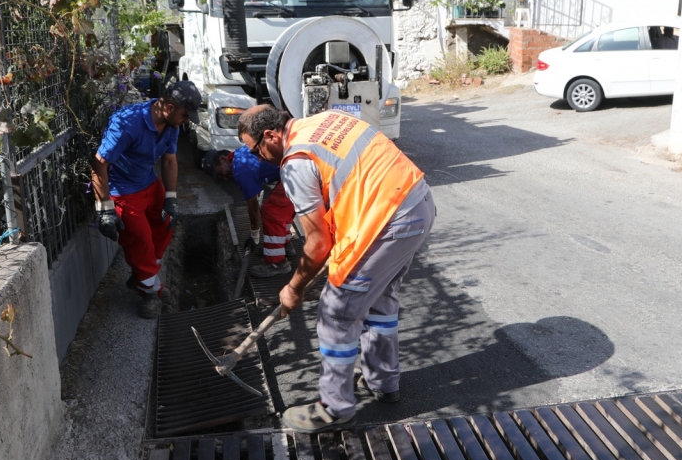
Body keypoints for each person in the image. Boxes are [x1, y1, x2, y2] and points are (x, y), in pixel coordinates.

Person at [237, 105, 435, 433]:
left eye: (255, 148)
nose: (258, 157)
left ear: (271, 136)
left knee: (336, 310)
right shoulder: (327, 120)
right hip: (417, 203)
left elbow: (316, 245)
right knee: (380, 299)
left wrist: (294, 287)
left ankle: (334, 407)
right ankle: (383, 381)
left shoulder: (296, 161)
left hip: (383, 221)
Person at [91, 80, 201, 319]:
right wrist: (104, 208)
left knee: (166, 225)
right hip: (124, 192)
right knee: (140, 240)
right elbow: (99, 164)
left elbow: (170, 161)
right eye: (185, 116)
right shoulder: (127, 123)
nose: (186, 121)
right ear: (169, 108)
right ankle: (150, 293)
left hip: (150, 184)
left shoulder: (171, 125)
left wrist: (170, 198)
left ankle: (142, 277)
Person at [201, 147, 296, 277]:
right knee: (281, 209)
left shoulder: (240, 170)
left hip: (296, 171)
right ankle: (284, 246)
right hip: (294, 168)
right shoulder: (241, 154)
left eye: (219, 173)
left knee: (272, 211)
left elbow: (253, 205)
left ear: (223, 159)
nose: (223, 178)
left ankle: (277, 263)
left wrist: (254, 235)